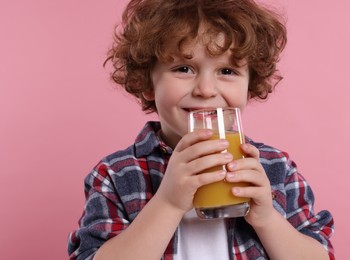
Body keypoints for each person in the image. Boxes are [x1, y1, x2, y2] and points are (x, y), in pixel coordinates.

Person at [68, 0, 334, 259]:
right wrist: (168, 203)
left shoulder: (276, 169)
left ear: (250, 84)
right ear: (148, 82)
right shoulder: (116, 174)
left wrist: (267, 219)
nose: (206, 90)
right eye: (184, 68)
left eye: (227, 71)